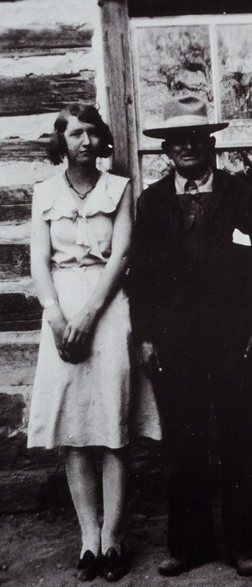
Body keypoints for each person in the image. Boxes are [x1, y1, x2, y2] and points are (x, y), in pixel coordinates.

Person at [127, 96, 252, 577]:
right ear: (167, 150)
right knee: (184, 441)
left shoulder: (241, 194)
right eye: (178, 140)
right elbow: (141, 276)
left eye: (196, 138)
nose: (188, 146)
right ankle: (189, 545)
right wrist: (146, 335)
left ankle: (245, 545)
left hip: (235, 334)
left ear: (209, 143)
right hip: (174, 338)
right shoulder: (152, 202)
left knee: (241, 437)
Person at [27, 104, 161, 583]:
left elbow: (122, 254)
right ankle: (88, 539)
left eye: (91, 133)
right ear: (61, 141)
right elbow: (39, 260)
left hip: (108, 308)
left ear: (102, 140)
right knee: (75, 431)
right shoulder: (43, 193)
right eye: (74, 134)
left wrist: (88, 315)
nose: (84, 142)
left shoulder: (119, 189)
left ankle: (114, 539)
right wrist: (56, 314)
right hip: (60, 308)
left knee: (112, 424)